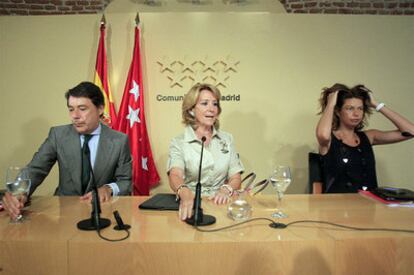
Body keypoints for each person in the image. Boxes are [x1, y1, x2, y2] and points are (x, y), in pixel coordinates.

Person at [2, 82, 132, 220]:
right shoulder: (58, 135)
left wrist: (108, 189)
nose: (75, 116)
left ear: (100, 109)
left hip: (103, 213)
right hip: (65, 214)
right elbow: (35, 169)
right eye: (71, 109)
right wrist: (18, 192)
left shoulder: (119, 140)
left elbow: (125, 181)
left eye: (82, 109)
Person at [315, 83, 414, 193]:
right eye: (350, 108)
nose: (356, 113)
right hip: (337, 206)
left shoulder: (370, 136)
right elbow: (322, 135)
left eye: (360, 108)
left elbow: (411, 132)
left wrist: (377, 105)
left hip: (370, 205)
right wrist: (330, 104)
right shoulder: (328, 139)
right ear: (338, 111)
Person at [167, 83, 244, 221]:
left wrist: (226, 189)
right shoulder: (179, 142)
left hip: (221, 204)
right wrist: (185, 193)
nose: (211, 109)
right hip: (190, 205)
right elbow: (175, 175)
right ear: (191, 110)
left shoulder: (227, 139)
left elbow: (235, 177)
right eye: (204, 103)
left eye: (215, 104)